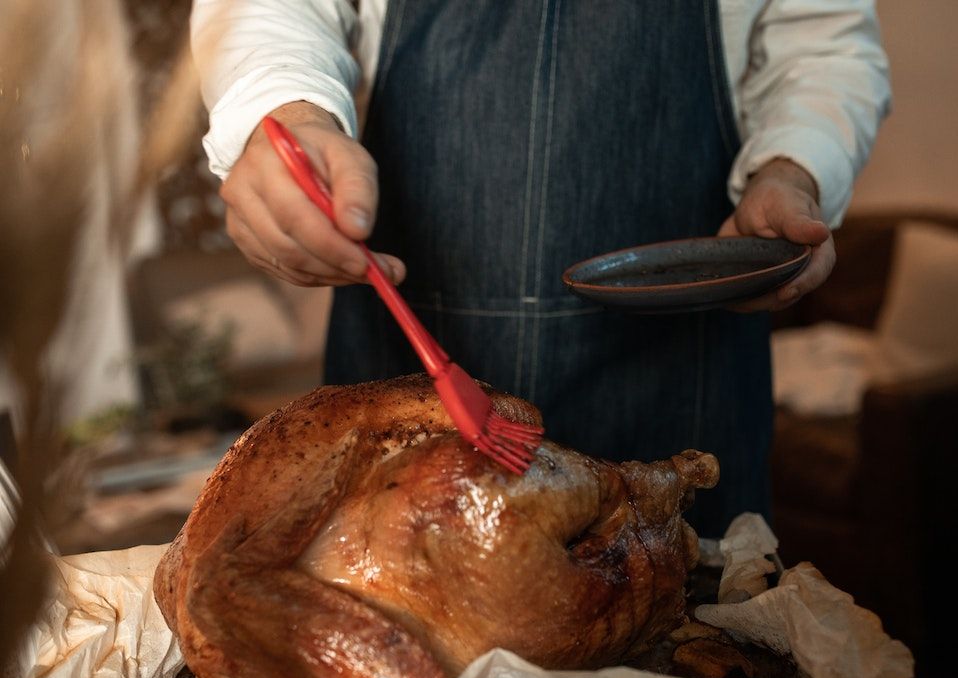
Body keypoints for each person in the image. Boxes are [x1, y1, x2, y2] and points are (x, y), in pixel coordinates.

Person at [190, 0, 890, 538]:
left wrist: (795, 168)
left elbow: (822, 43)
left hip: (686, 379)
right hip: (407, 372)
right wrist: (283, 117)